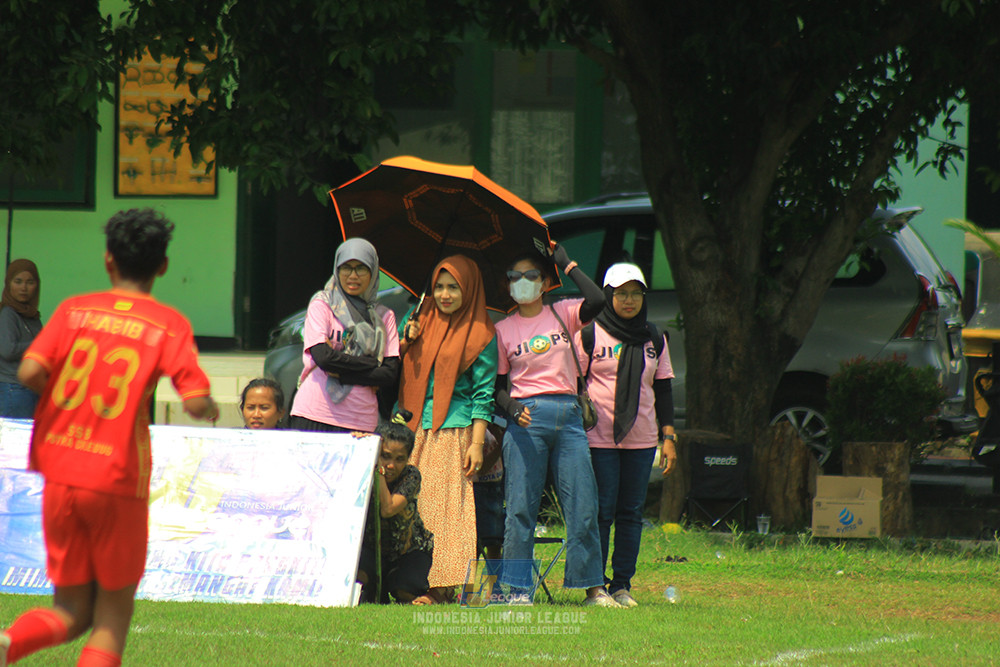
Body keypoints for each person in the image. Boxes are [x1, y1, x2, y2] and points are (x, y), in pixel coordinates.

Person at [0, 208, 219, 667]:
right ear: (162, 266)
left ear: (107, 260)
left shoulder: (73, 310)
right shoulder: (167, 323)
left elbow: (29, 370)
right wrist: (209, 407)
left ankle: (8, 643)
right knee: (110, 620)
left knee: (70, 610)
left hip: (60, 472)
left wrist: (68, 401)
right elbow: (195, 400)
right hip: (116, 477)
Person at [493, 245, 618, 606]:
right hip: (526, 421)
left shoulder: (563, 311)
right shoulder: (502, 329)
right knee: (520, 508)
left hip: (569, 418)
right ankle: (518, 589)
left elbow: (597, 300)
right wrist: (512, 409)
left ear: (546, 282)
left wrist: (568, 262)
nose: (522, 283)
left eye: (531, 276)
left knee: (583, 504)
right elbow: (497, 389)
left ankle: (593, 587)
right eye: (514, 278)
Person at [397, 255, 498, 604]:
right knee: (415, 508)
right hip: (412, 427)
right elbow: (402, 367)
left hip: (453, 429)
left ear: (468, 289)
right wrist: (406, 337)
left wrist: (477, 442)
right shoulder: (419, 320)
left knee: (446, 510)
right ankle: (409, 581)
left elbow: (484, 394)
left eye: (453, 287)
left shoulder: (482, 333)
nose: (444, 294)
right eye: (439, 286)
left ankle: (442, 588)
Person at [579, 263, 677, 608]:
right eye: (621, 293)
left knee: (631, 513)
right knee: (602, 512)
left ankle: (621, 585)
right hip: (600, 439)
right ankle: (596, 587)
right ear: (608, 295)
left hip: (641, 439)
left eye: (636, 293)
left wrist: (669, 437)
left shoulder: (654, 337)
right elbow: (575, 383)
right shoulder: (590, 334)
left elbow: (663, 388)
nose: (630, 300)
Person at [289, 238, 400, 434]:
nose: (353, 275)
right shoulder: (322, 304)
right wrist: (372, 363)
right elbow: (323, 357)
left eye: (361, 268)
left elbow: (389, 374)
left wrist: (342, 370)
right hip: (314, 412)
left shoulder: (383, 316)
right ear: (337, 269)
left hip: (360, 419)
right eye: (346, 267)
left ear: (373, 272)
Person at [356, 410, 435, 604]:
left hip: (408, 551)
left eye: (399, 459)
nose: (391, 465)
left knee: (405, 592)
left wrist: (379, 472)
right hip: (372, 547)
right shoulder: (361, 468)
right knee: (359, 581)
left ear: (408, 458)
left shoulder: (411, 476)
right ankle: (374, 588)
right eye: (385, 456)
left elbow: (388, 509)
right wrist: (358, 447)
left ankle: (431, 596)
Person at [0, 259, 42, 418]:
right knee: (15, 442)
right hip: (14, 389)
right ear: (8, 284)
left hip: (29, 388)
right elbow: (8, 349)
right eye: (18, 281)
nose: (23, 288)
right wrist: (40, 343)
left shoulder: (32, 316)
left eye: (29, 282)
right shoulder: (7, 314)